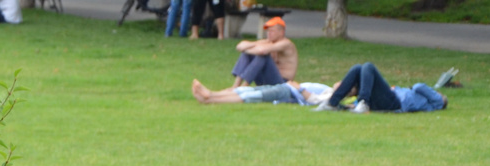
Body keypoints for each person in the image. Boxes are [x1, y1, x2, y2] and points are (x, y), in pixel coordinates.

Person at [315, 63, 448, 113]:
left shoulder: (436, 102)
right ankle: (332, 103)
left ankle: (363, 102)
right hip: (387, 100)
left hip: (396, 104)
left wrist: (411, 88)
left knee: (369, 67)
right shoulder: (419, 97)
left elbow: (420, 86)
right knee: (357, 69)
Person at [230, 17, 298, 86]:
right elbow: (240, 46)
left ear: (281, 32)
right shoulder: (268, 41)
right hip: (266, 79)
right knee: (247, 54)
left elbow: (262, 51)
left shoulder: (286, 44)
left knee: (263, 56)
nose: (269, 33)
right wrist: (250, 47)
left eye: (272, 31)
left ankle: (244, 86)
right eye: (268, 31)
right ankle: (236, 86)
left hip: (282, 83)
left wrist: (247, 49)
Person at [191, 79, 331, 106]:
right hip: (286, 88)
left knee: (252, 96)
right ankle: (212, 94)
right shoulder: (329, 89)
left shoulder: (332, 94)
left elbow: (314, 100)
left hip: (289, 93)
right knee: (247, 90)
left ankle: (210, 99)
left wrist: (299, 87)